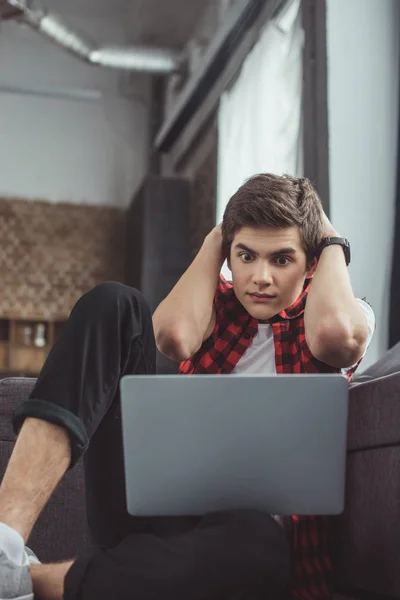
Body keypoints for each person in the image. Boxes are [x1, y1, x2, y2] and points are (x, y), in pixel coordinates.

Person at [0, 173, 374, 600]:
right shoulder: (214, 304)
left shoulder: (345, 311)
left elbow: (334, 338)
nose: (261, 277)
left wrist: (330, 239)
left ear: (310, 263)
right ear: (228, 255)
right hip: (150, 511)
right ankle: (3, 549)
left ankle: (24, 583)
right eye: (246, 256)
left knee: (260, 545)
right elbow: (173, 338)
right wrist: (220, 234)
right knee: (114, 301)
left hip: (234, 545)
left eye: (282, 259)